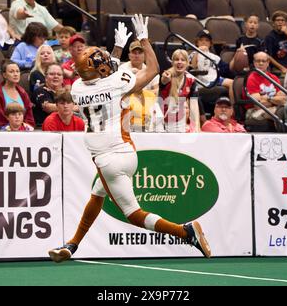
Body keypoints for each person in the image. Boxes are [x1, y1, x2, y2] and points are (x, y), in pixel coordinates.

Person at [48, 14, 211, 262]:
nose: (107, 64)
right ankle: (72, 245)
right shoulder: (117, 83)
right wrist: (143, 40)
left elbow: (102, 72)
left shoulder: (77, 89)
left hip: (108, 159)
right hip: (124, 152)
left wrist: (116, 50)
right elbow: (152, 69)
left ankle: (185, 232)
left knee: (134, 215)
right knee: (97, 193)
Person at [160, 49, 204, 132]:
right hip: (160, 120)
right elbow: (163, 80)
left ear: (187, 63)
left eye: (183, 60)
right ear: (172, 63)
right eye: (176, 59)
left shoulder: (191, 80)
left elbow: (194, 105)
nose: (179, 62)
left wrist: (196, 126)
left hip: (178, 121)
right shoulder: (167, 75)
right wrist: (165, 79)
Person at [190, 29, 234, 103]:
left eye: (207, 40)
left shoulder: (215, 57)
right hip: (203, 81)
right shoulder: (193, 54)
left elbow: (227, 69)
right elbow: (193, 67)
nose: (204, 42)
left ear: (210, 44)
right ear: (197, 42)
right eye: (201, 40)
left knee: (233, 83)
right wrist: (198, 51)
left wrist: (236, 58)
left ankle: (233, 108)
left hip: (215, 79)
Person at [244, 51, 287, 121]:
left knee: (286, 110)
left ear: (268, 63)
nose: (261, 63)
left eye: (263, 61)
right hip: (254, 111)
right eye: (258, 61)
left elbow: (283, 99)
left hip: (274, 108)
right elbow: (258, 104)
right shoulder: (251, 78)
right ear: (254, 63)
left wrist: (268, 99)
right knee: (282, 112)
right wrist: (275, 98)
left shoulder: (274, 78)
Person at [0, 59, 35, 128]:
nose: (15, 74)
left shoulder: (23, 93)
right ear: (4, 75)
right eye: (11, 72)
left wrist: (22, 127)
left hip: (24, 132)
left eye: (17, 71)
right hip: (4, 132)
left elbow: (29, 118)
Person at [264, 10, 287, 75]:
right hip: (277, 68)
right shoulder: (270, 37)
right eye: (277, 20)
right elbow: (268, 57)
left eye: (282, 20)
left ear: (285, 23)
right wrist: (282, 68)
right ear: (273, 23)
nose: (280, 22)